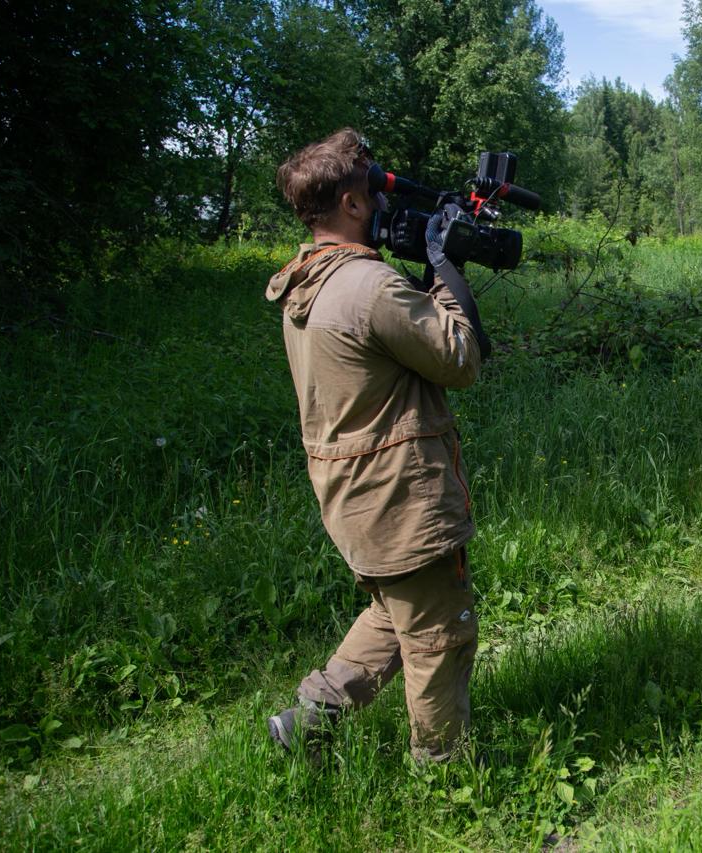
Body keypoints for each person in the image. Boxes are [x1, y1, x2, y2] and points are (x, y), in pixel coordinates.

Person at [263, 128, 487, 763]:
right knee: (441, 632)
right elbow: (460, 357)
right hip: (399, 494)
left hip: (352, 493)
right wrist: (445, 268)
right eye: (374, 195)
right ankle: (445, 776)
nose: (385, 208)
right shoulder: (370, 287)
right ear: (353, 205)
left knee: (395, 613)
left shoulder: (308, 284)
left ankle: (308, 721)